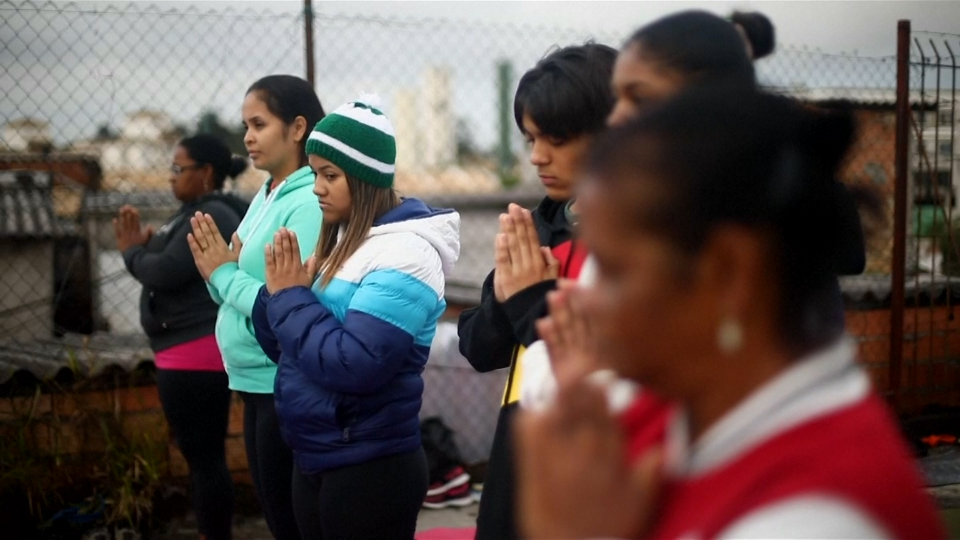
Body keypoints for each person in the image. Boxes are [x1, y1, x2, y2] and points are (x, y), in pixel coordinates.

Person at [516, 83, 946, 540]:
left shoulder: (814, 517)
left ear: (728, 273)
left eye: (614, 271)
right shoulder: (693, 405)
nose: (584, 298)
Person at [250, 95, 461, 540]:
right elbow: (286, 349)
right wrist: (278, 297)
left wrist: (290, 298)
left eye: (331, 175)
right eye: (314, 174)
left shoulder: (406, 253)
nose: (317, 188)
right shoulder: (344, 242)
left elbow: (356, 363)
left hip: (370, 465)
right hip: (318, 453)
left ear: (365, 180)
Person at [455, 43, 617, 540]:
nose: (536, 156)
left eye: (557, 138)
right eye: (530, 138)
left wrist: (530, 303)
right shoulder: (539, 225)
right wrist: (505, 302)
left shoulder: (645, 241)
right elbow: (478, 349)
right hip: (515, 465)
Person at [187, 74, 324, 540]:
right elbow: (223, 280)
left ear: (298, 127)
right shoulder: (267, 195)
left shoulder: (306, 201)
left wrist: (224, 273)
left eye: (259, 124)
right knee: (274, 512)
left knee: (289, 522)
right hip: (250, 380)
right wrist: (218, 272)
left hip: (278, 380)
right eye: (245, 125)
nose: (247, 137)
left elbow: (284, 301)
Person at [115, 134, 248, 540]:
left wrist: (132, 252)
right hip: (190, 353)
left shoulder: (207, 216)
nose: (171, 177)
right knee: (205, 459)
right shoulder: (199, 212)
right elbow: (171, 261)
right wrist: (150, 247)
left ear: (206, 173)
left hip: (193, 355)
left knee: (205, 460)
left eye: (179, 168)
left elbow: (165, 271)